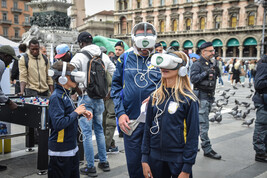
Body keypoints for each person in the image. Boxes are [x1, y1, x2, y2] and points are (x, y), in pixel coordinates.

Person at [111, 22, 161, 178]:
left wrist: (158, 96)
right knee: (134, 166)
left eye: (147, 47)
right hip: (130, 121)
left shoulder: (161, 59)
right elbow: (115, 87)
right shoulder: (124, 58)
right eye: (141, 48)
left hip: (156, 122)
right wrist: (120, 113)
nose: (144, 51)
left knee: (155, 167)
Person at [142, 51, 199, 178]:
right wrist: (145, 158)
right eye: (162, 64)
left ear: (182, 69)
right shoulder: (155, 97)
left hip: (178, 160)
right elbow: (147, 129)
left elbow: (193, 136)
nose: (164, 68)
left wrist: (187, 168)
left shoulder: (189, 100)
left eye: (170, 63)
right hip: (155, 158)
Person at [70, 31, 115, 177]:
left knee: (87, 133)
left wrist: (77, 88)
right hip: (100, 99)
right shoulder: (103, 55)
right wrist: (108, 91)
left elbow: (70, 71)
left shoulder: (79, 56)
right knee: (100, 130)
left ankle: (90, 166)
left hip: (85, 97)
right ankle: (104, 162)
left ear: (81, 43)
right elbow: (114, 72)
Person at [48, 61, 93, 177]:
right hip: (61, 151)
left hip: (71, 148)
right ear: (63, 78)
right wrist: (75, 112)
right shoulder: (56, 97)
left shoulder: (65, 94)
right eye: (72, 75)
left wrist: (80, 113)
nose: (76, 79)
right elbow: (58, 123)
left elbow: (67, 114)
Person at [190, 42, 222, 160]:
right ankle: (207, 149)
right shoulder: (197, 65)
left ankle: (192, 145)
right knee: (204, 125)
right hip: (201, 97)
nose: (213, 53)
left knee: (201, 124)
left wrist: (216, 68)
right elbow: (193, 79)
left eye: (213, 51)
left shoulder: (211, 63)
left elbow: (216, 77)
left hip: (209, 97)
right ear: (203, 52)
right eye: (211, 51)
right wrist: (206, 73)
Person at [0, 45, 18, 171]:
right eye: (10, 60)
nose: (10, 63)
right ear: (5, 56)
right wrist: (8, 101)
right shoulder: (0, 63)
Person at [252, 54, 267, 163]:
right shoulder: (263, 64)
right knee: (261, 127)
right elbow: (258, 84)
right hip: (263, 101)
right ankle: (260, 153)